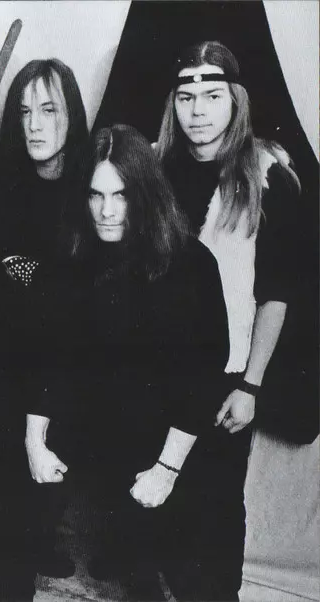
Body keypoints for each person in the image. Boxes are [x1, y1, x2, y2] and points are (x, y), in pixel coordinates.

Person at [25, 124, 230, 601]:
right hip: (97, 424)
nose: (107, 211)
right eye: (95, 195)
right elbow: (47, 353)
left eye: (121, 195)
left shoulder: (192, 264)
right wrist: (35, 442)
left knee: (187, 578)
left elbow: (203, 375)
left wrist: (167, 469)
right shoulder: (73, 255)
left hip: (170, 436)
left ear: (146, 195)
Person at [156, 40, 301, 600]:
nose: (197, 110)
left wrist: (251, 385)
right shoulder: (152, 169)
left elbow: (277, 294)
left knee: (214, 505)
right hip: (158, 370)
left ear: (235, 100)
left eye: (212, 96)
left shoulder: (265, 175)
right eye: (186, 96)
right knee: (158, 502)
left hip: (225, 374)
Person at [0, 58, 89, 598]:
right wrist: (44, 281)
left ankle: (36, 547)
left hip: (73, 360)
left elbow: (89, 287)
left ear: (71, 115)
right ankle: (12, 580)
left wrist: (33, 275)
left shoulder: (91, 187)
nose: (34, 124)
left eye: (48, 110)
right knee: (10, 457)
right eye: (23, 112)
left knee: (57, 455)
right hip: (8, 356)